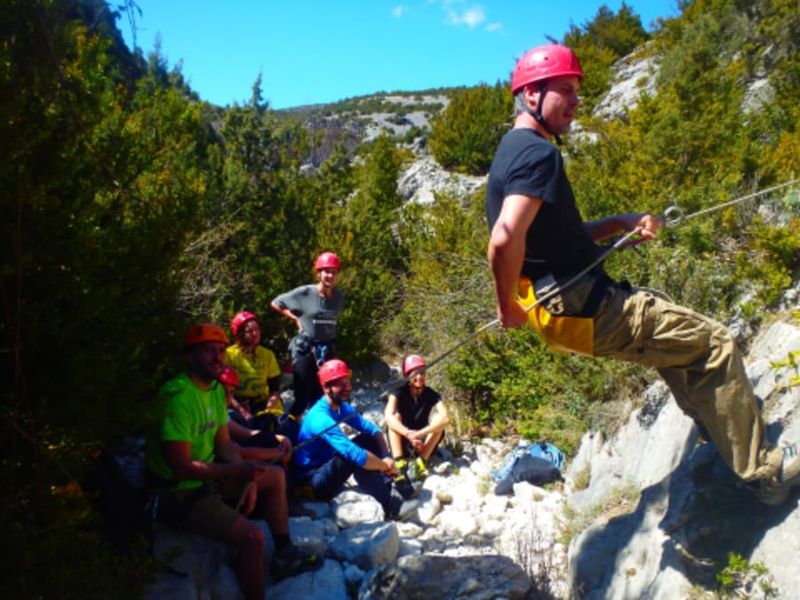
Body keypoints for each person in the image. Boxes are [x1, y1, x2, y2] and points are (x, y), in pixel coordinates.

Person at [485, 43, 800, 506]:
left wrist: (617, 223)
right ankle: (762, 474)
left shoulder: (512, 150)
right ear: (532, 95)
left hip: (562, 306)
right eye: (565, 90)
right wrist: (505, 306)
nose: (576, 101)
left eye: (578, 92)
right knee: (713, 344)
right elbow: (504, 239)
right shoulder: (538, 155)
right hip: (582, 305)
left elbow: (552, 237)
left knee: (676, 349)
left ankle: (724, 439)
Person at [145, 324, 320, 599]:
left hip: (207, 478)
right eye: (208, 351)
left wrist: (247, 479)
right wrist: (239, 471)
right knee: (252, 538)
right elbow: (181, 467)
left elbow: (224, 443)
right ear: (190, 356)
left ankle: (284, 552)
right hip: (178, 491)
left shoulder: (214, 388)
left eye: (220, 351)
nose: (217, 357)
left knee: (274, 476)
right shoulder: (178, 398)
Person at [292, 359, 418, 520]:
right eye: (340, 384)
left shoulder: (340, 407)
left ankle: (386, 485)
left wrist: (386, 456)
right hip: (311, 482)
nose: (347, 388)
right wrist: (383, 465)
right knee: (352, 455)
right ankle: (390, 505)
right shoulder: (320, 418)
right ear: (326, 387)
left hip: (325, 466)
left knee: (367, 439)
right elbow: (355, 454)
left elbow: (372, 430)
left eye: (348, 382)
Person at [271, 252, 345, 420]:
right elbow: (276, 303)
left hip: (327, 350)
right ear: (319, 273)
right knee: (302, 398)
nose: (330, 275)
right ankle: (290, 431)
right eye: (326, 271)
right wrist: (295, 318)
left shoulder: (339, 297)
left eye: (333, 272)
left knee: (323, 396)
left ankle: (317, 432)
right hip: (306, 349)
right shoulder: (305, 293)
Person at [384, 355, 450, 484]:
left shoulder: (430, 393)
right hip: (403, 440)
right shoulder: (397, 391)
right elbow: (388, 415)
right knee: (395, 417)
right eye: (415, 374)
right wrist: (408, 434)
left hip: (422, 443)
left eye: (422, 373)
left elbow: (445, 417)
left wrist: (420, 434)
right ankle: (400, 465)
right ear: (408, 376)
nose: (419, 377)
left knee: (439, 421)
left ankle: (420, 463)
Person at [224, 311, 284, 430]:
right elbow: (226, 393)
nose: (255, 334)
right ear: (239, 333)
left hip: (263, 402)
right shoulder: (229, 355)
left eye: (257, 329)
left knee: (281, 425)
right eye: (249, 331)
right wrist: (241, 410)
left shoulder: (267, 355)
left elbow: (274, 389)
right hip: (237, 403)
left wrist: (269, 408)